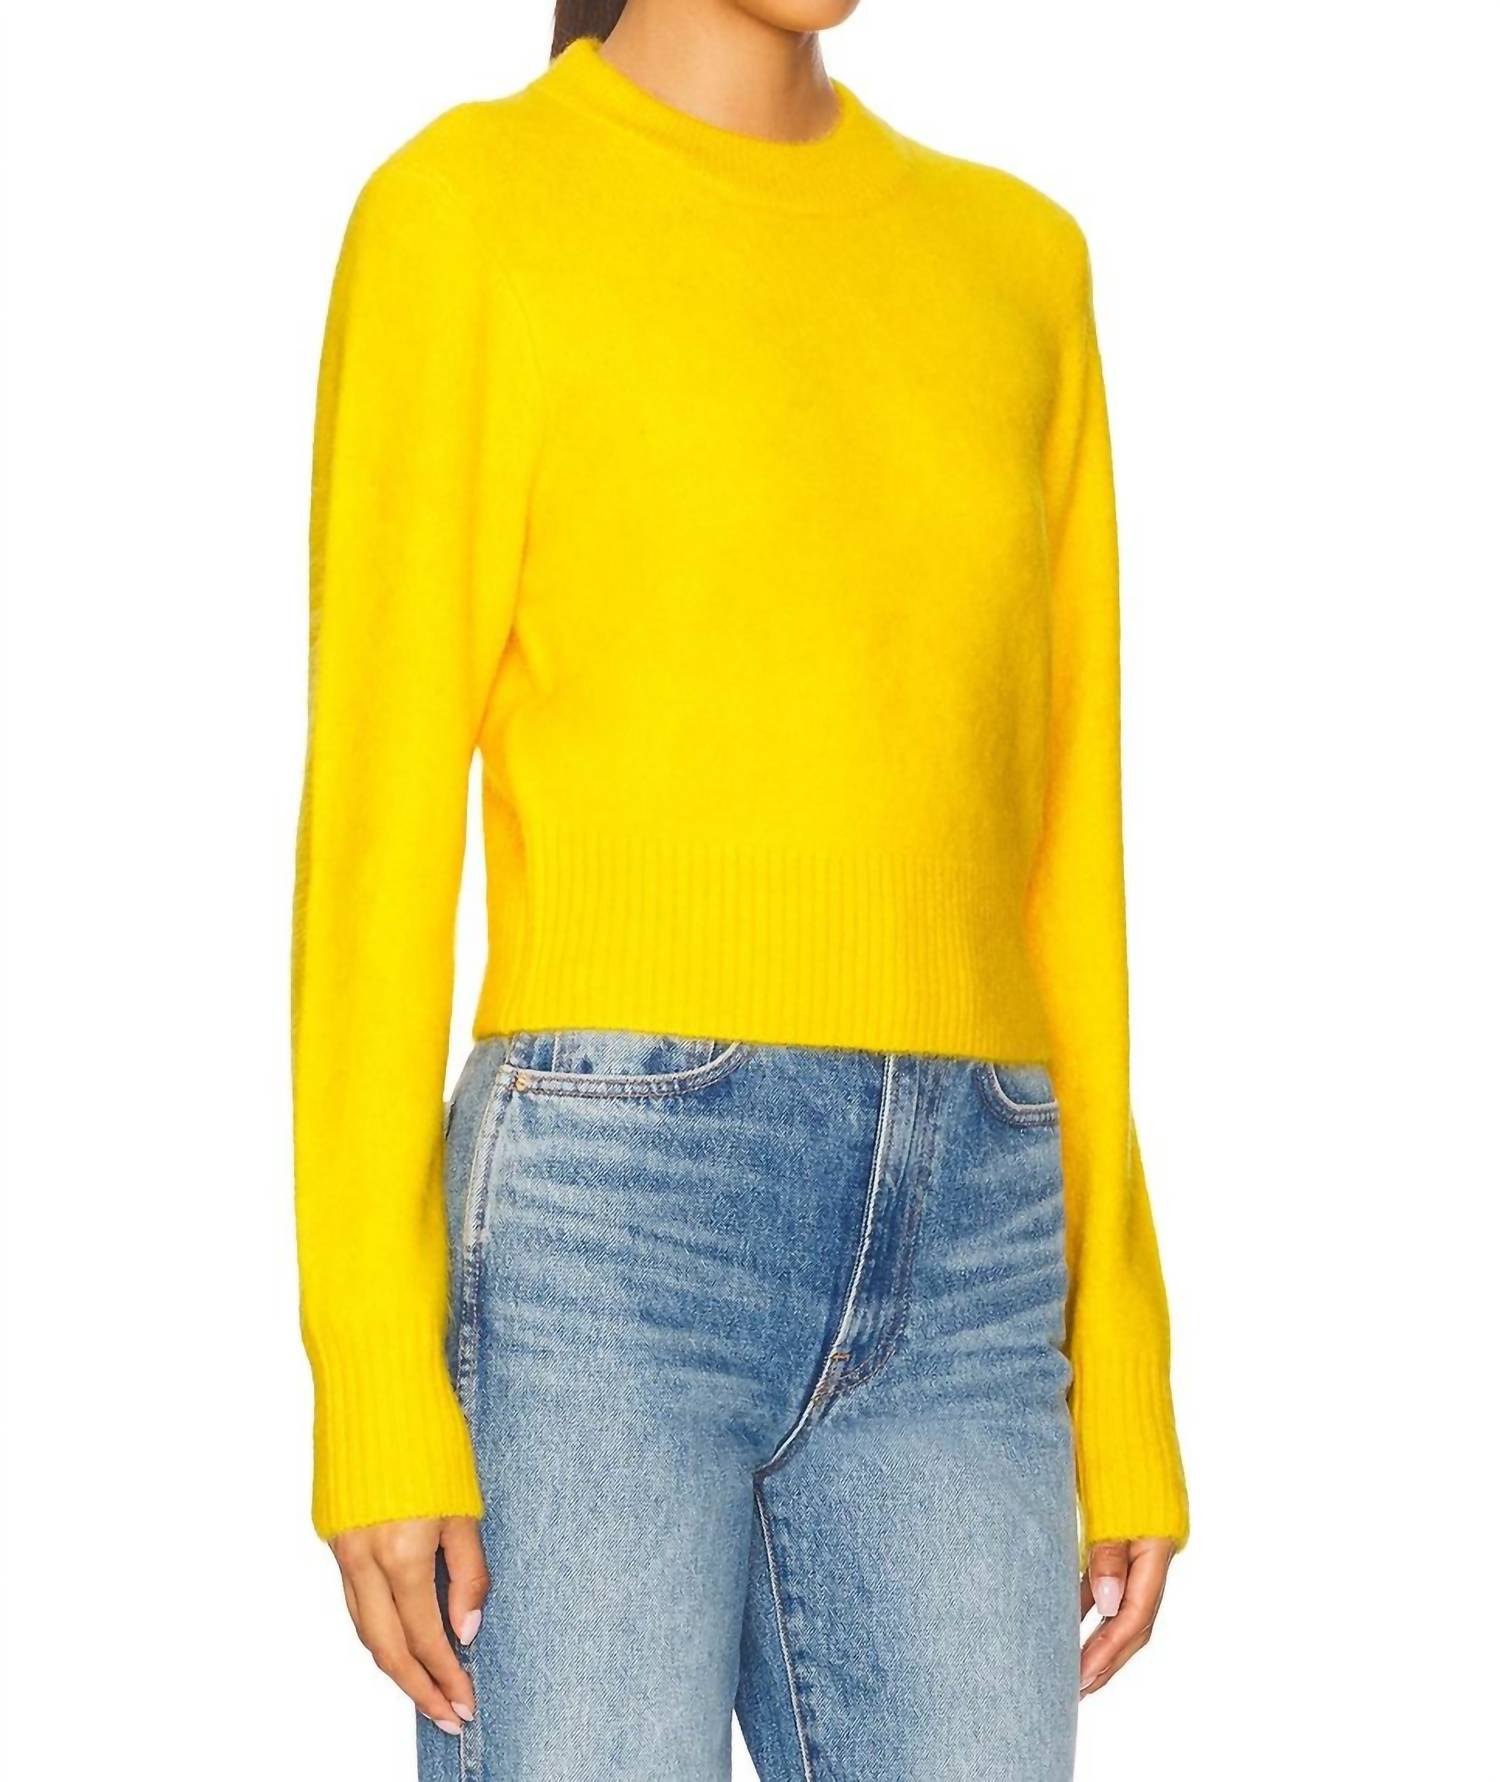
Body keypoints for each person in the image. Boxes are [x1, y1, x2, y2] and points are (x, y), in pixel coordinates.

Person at [290, 2, 1190, 1775]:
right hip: (607, 1236)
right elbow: (373, 834)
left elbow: (1065, 857)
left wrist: (1126, 1360)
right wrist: (375, 1377)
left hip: (979, 1253)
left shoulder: (1019, 264)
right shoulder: (469, 212)